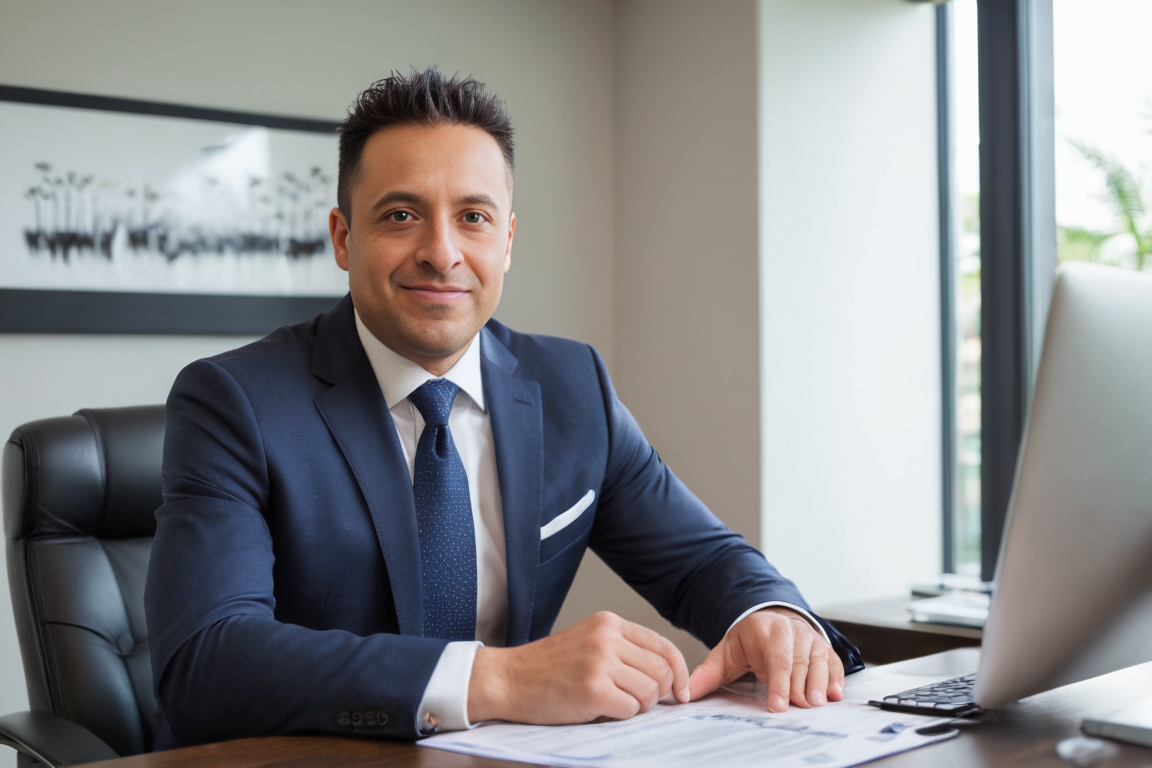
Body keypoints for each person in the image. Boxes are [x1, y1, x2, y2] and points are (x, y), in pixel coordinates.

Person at [144, 68, 862, 749]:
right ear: (343, 236)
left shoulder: (571, 385)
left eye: (474, 217)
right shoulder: (234, 402)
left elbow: (701, 559)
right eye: (401, 215)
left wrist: (768, 611)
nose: (442, 253)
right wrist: (502, 677)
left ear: (508, 242)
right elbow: (206, 661)